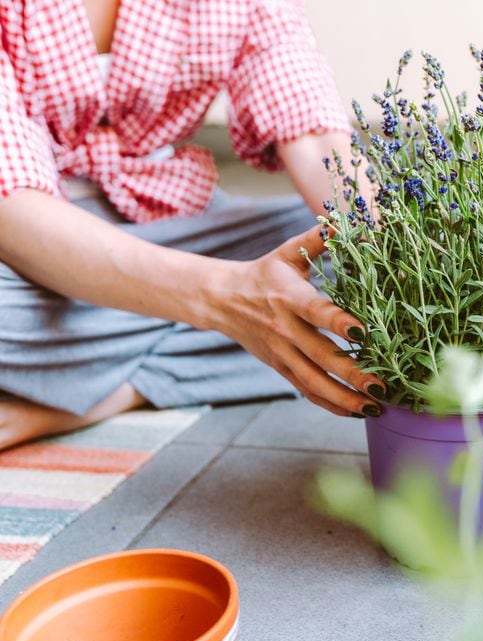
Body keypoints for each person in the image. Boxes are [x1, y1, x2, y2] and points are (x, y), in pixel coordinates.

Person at [0, 0, 383, 451]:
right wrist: (226, 297)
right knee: (294, 311)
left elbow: (313, 131)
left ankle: (91, 396)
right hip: (25, 236)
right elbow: (14, 207)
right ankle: (200, 351)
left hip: (172, 219)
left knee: (342, 254)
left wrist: (398, 258)